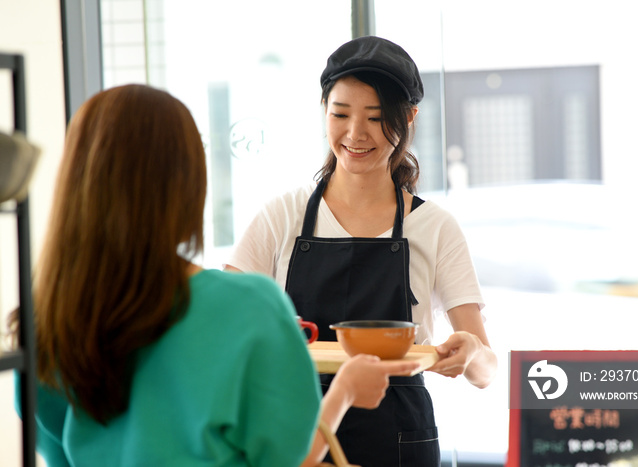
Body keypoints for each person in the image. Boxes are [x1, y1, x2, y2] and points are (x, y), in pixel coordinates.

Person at [10, 84, 420, 467]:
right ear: (187, 186)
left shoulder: (46, 320)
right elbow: (293, 455)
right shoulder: (247, 306)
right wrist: (345, 389)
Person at [225, 36, 498, 466]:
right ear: (323, 111)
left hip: (400, 437)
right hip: (298, 432)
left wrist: (470, 355)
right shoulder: (283, 215)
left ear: (409, 118)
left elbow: (487, 370)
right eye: (340, 114)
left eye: (375, 117)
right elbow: (225, 322)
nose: (355, 133)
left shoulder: (435, 226)